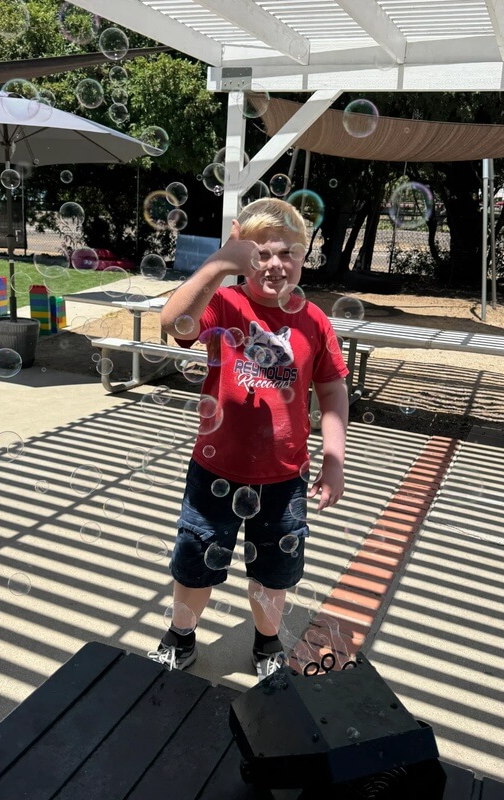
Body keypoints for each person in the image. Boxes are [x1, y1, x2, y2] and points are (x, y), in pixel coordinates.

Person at [147, 198, 349, 682]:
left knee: (274, 570)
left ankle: (267, 642)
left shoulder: (314, 321)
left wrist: (334, 459)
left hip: (284, 477)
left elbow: (332, 389)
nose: (275, 264)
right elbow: (173, 322)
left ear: (304, 257)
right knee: (196, 558)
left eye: (287, 253)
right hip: (215, 469)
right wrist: (219, 262)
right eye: (261, 254)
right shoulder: (225, 303)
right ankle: (180, 636)